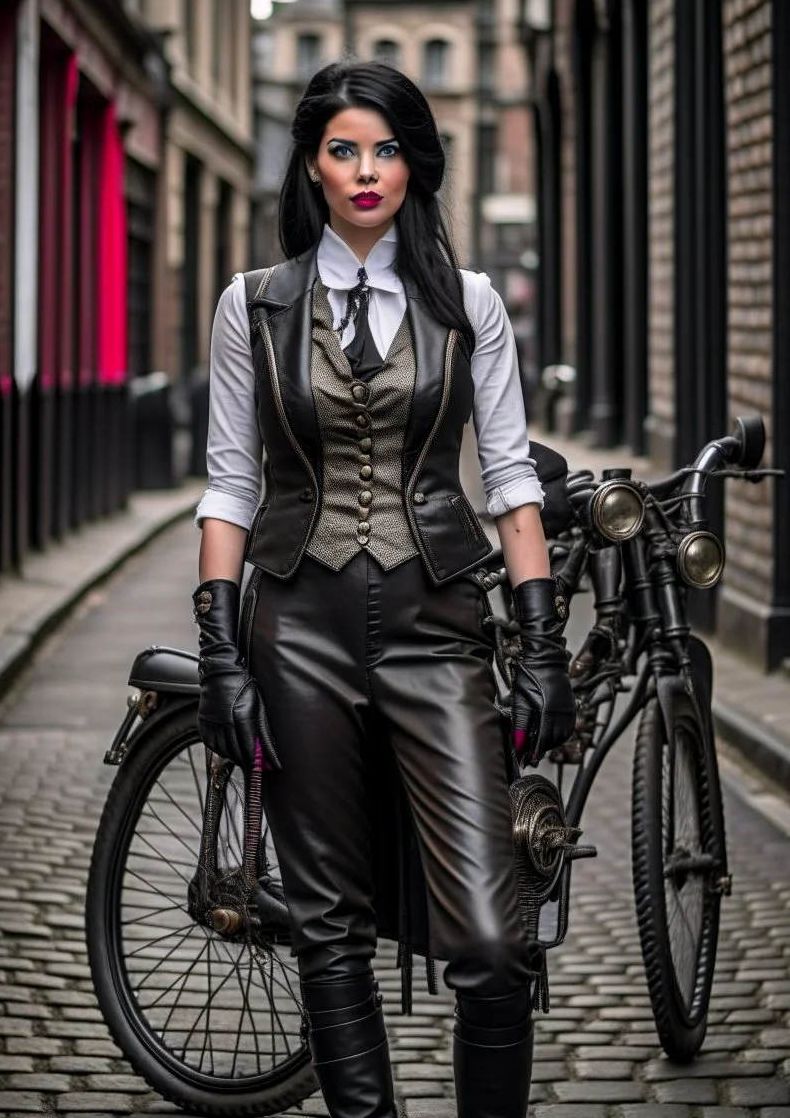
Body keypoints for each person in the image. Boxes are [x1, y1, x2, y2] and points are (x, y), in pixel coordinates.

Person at [193, 60, 576, 1118]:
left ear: (417, 161)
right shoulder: (252, 307)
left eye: (387, 148)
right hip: (296, 625)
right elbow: (230, 480)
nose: (366, 171)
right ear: (312, 167)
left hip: (438, 623)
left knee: (494, 940)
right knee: (324, 919)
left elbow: (506, 478)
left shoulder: (470, 305)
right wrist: (221, 647)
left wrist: (539, 637)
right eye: (342, 150)